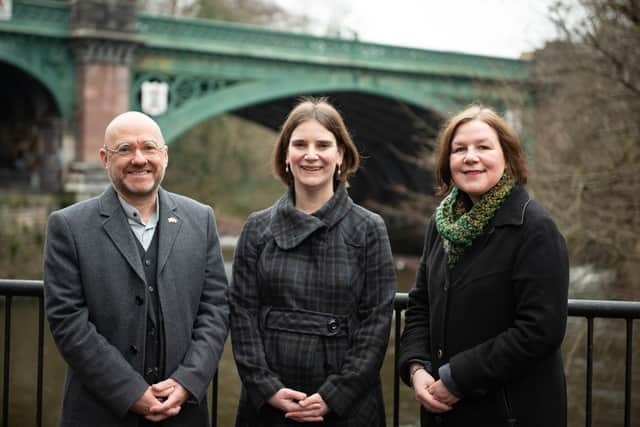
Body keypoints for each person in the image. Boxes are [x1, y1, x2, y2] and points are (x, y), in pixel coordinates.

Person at [43, 111, 229, 426]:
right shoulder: (68, 226)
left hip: (183, 413)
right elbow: (68, 323)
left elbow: (214, 311)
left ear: (164, 156)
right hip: (99, 413)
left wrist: (188, 381)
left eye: (149, 148)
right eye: (125, 149)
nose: (139, 159)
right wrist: (129, 392)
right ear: (104, 158)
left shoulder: (201, 220)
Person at [398, 105, 569, 427]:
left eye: (483, 147)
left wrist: (456, 378)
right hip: (442, 410)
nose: (470, 157)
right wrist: (416, 367)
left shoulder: (534, 227)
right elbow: (420, 305)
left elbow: (540, 329)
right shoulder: (440, 226)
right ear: (447, 162)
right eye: (459, 149)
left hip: (510, 412)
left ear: (508, 156)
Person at [229, 97, 397, 426]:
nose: (310, 154)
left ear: (341, 156)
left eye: (323, 144)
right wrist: (266, 388)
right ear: (286, 157)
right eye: (300, 144)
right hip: (271, 406)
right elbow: (242, 316)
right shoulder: (257, 228)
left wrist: (336, 394)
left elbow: (376, 324)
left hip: (346, 408)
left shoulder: (368, 229)